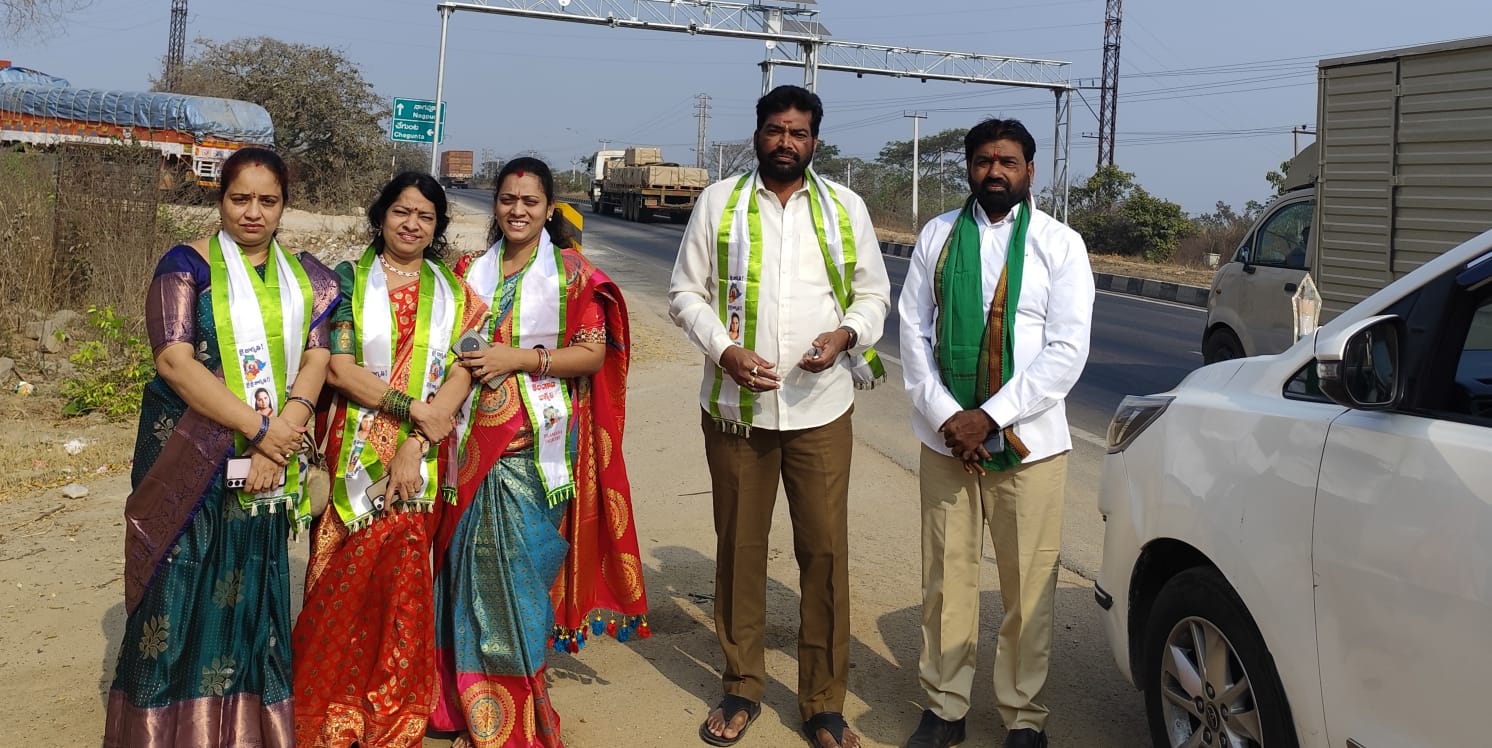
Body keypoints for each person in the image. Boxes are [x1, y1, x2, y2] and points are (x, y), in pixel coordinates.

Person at [669, 84, 891, 748]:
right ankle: (741, 685)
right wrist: (725, 349)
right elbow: (684, 291)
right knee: (740, 549)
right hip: (738, 411)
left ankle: (824, 701)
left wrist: (847, 335)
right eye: (775, 130)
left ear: (815, 141)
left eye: (798, 132)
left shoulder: (845, 207)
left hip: (821, 410)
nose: (785, 141)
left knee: (823, 551)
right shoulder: (720, 202)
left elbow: (875, 295)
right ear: (758, 134)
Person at [104, 146, 340, 747]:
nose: (253, 213)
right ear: (220, 199)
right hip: (189, 453)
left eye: (268, 200)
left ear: (285, 205)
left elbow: (317, 356)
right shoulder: (185, 267)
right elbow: (174, 361)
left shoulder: (307, 279)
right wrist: (262, 430)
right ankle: (161, 730)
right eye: (241, 199)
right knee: (179, 583)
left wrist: (285, 425)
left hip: (269, 458)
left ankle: (241, 731)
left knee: (250, 583)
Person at [430, 157, 649, 748]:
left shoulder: (574, 275)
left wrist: (519, 359)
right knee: (461, 570)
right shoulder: (466, 271)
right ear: (494, 206)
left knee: (520, 579)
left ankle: (516, 705)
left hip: (535, 449)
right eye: (507, 199)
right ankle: (456, 701)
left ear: (550, 209)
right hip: (468, 446)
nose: (518, 210)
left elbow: (592, 355)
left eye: (530, 201)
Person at [898, 118, 1094, 748]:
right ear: (968, 169)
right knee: (947, 579)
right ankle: (945, 707)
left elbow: (1065, 349)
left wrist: (990, 416)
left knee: (1027, 584)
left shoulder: (1058, 244)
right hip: (945, 440)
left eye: (1008, 161)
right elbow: (911, 335)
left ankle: (1024, 715)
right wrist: (949, 417)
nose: (995, 172)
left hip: (1030, 444)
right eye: (983, 161)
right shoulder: (936, 235)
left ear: (1030, 170)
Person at [291, 172, 486, 747]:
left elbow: (462, 370)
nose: (412, 224)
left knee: (400, 585)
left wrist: (419, 439)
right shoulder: (345, 283)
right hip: (353, 449)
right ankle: (328, 707)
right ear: (381, 216)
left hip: (416, 460)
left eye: (425, 216)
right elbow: (339, 369)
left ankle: (392, 712)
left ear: (437, 228)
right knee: (339, 581)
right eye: (402, 212)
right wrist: (413, 411)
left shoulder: (454, 292)